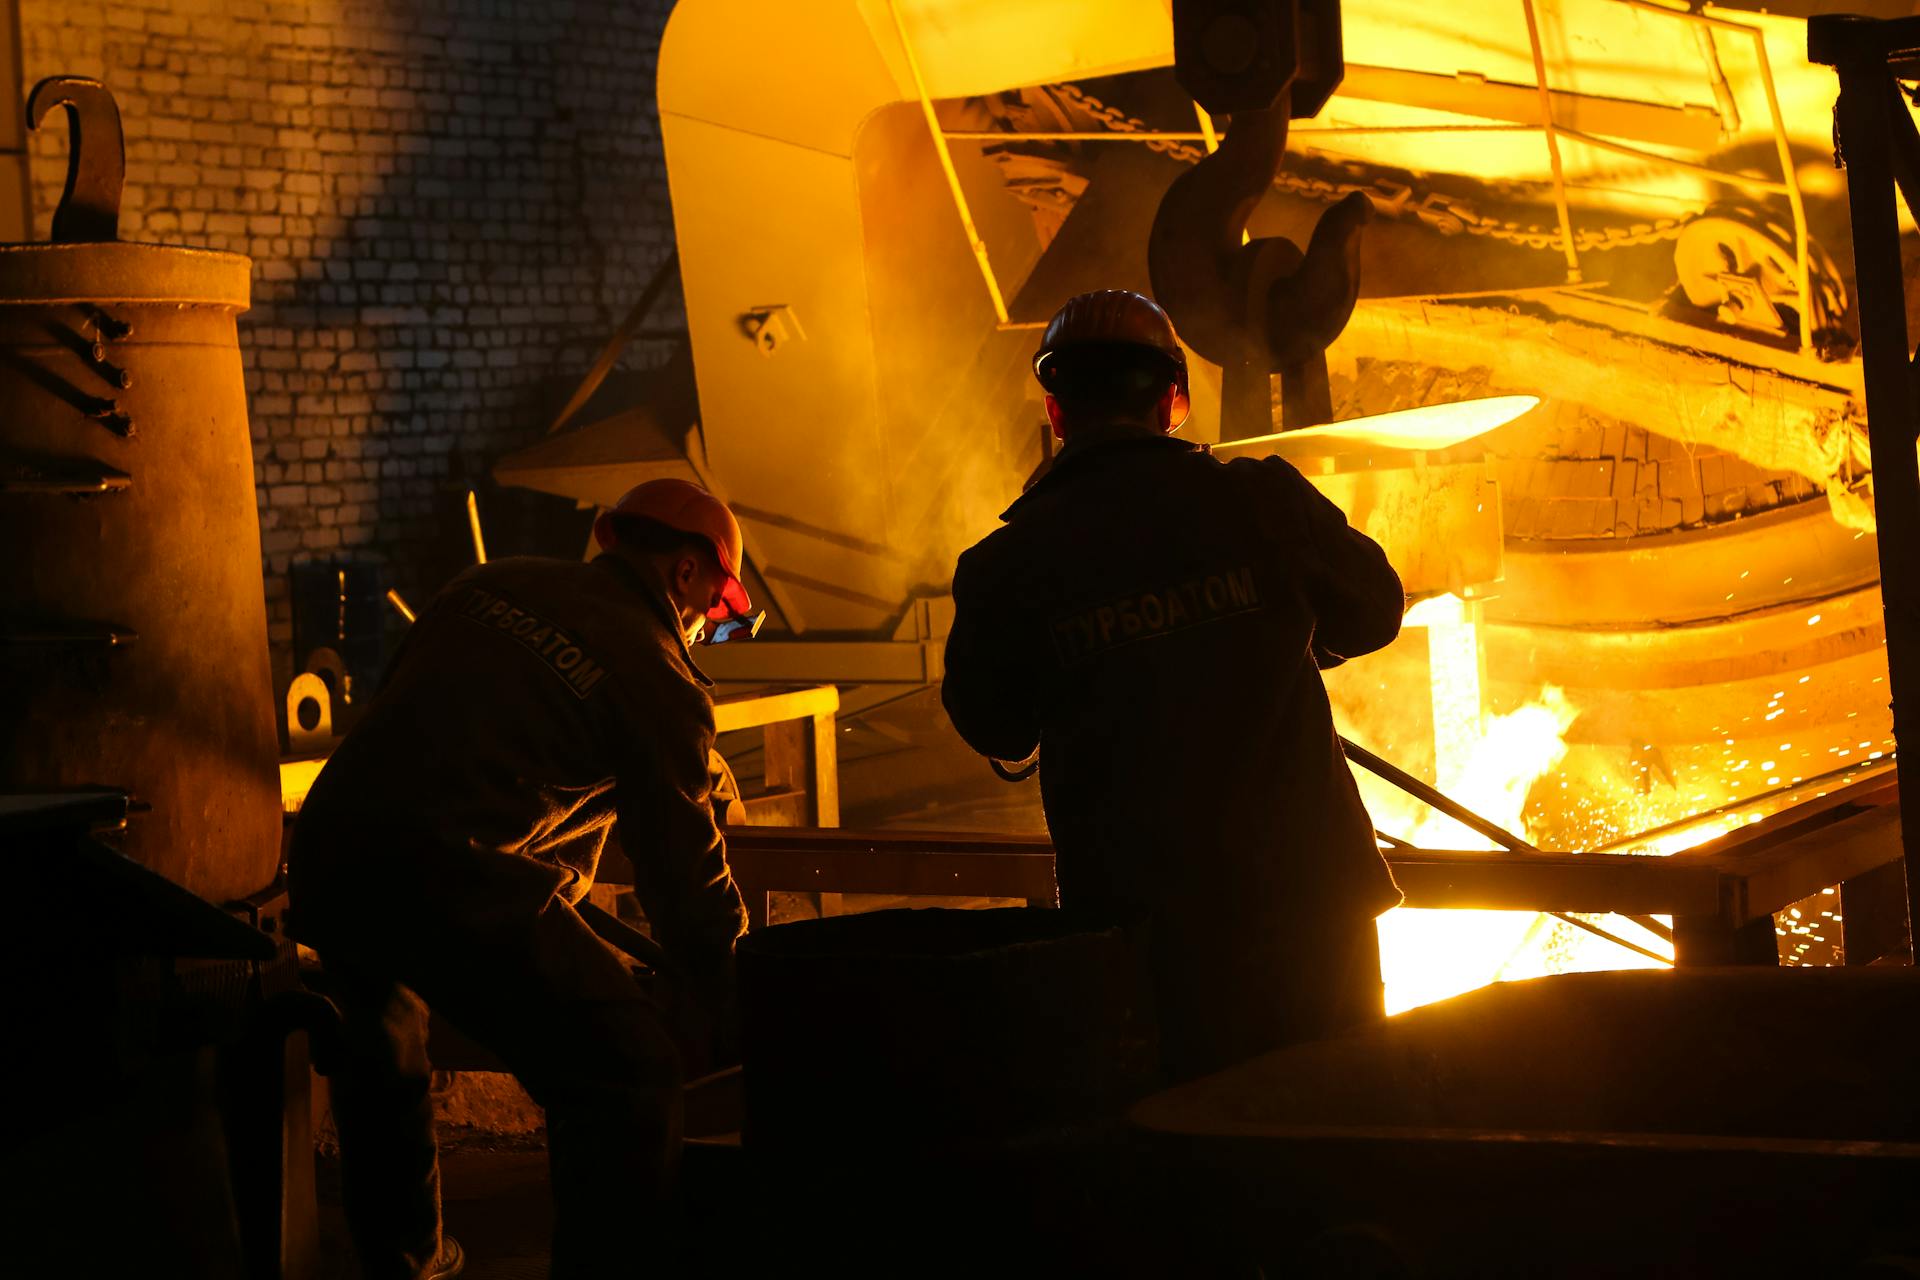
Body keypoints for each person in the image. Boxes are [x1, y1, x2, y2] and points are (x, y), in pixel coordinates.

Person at [287, 478, 754, 1279]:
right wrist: (738, 985)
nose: (707, 627)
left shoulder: (490, 582)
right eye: (715, 608)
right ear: (684, 573)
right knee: (627, 1071)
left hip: (331, 846)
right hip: (449, 870)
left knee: (383, 1043)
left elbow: (452, 736)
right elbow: (685, 882)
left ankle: (407, 1261)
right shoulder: (657, 674)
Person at [941, 290, 1406, 1086]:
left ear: (1057, 411)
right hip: (1309, 922)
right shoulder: (1262, 500)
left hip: (1141, 942)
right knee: (1336, 1138)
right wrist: (1268, 638)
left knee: (1182, 1164)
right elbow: (1374, 611)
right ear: (1173, 401)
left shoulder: (1008, 564)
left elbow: (994, 724)